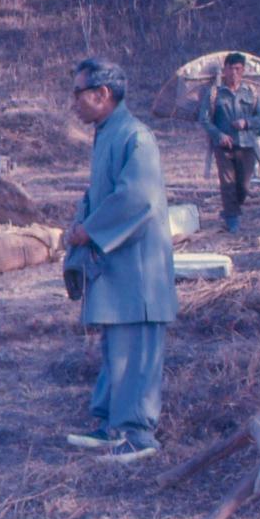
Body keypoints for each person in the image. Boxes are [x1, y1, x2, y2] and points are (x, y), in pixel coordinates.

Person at [63, 59, 178, 464]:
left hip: (140, 269)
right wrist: (81, 222)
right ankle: (111, 426)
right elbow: (100, 193)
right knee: (117, 349)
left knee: (138, 349)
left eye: (79, 94)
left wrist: (90, 230)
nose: (74, 103)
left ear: (102, 95)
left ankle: (137, 435)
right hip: (118, 266)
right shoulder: (108, 134)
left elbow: (138, 199)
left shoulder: (136, 136)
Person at [198, 52, 260, 232]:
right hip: (224, 147)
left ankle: (233, 208)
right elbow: (204, 119)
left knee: (243, 186)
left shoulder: (251, 93)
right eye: (230, 68)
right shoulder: (214, 94)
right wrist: (219, 135)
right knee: (227, 184)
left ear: (242, 71)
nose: (234, 72)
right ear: (224, 70)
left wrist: (247, 123)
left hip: (247, 146)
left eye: (238, 69)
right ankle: (232, 218)